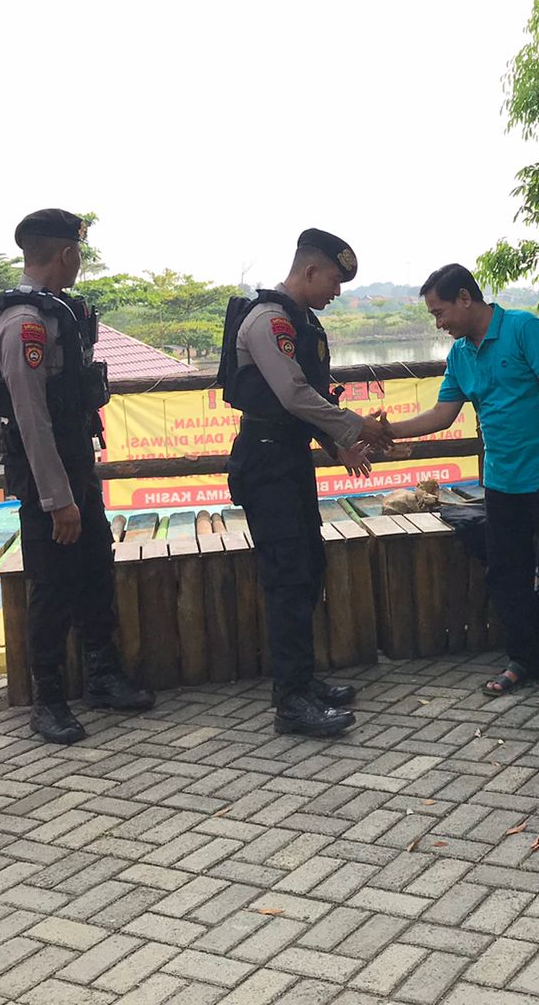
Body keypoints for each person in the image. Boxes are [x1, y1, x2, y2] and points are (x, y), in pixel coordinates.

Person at [0, 209, 153, 745]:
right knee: (51, 582)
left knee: (94, 566)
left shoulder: (58, 311)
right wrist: (57, 498)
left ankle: (103, 675)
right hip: (42, 470)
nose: (79, 262)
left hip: (73, 460)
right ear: (67, 253)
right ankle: (47, 699)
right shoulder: (24, 321)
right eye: (78, 253)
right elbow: (29, 416)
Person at [385, 264, 539, 700]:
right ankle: (524, 660)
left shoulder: (523, 329)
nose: (439, 324)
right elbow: (443, 414)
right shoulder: (461, 354)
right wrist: (389, 431)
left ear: (465, 297)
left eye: (440, 313)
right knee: (506, 574)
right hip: (501, 481)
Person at [217, 228, 387, 737]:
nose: (337, 291)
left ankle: (303, 681)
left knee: (307, 569)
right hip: (266, 462)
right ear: (310, 270)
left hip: (288, 460)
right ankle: (290, 703)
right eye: (334, 281)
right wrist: (357, 426)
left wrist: (338, 446)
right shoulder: (268, 320)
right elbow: (292, 395)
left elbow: (309, 400)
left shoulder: (302, 321)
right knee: (288, 578)